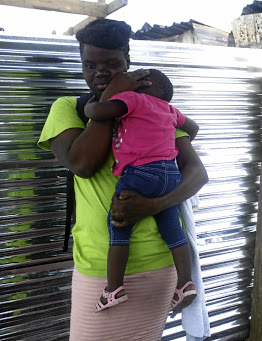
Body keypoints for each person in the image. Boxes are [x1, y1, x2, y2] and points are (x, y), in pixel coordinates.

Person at [37, 18, 208, 340]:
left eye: (112, 64)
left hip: (161, 260)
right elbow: (83, 164)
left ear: (128, 63)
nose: (99, 72)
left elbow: (197, 172)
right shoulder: (70, 109)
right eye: (90, 64)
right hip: (100, 265)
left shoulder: (154, 108)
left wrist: (153, 205)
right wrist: (111, 99)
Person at [84, 69, 198, 312]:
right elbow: (193, 128)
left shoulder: (135, 100)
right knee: (173, 230)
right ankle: (185, 282)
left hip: (141, 173)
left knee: (118, 223)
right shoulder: (169, 110)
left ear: (142, 87)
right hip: (170, 175)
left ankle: (113, 289)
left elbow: (99, 112)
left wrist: (90, 106)